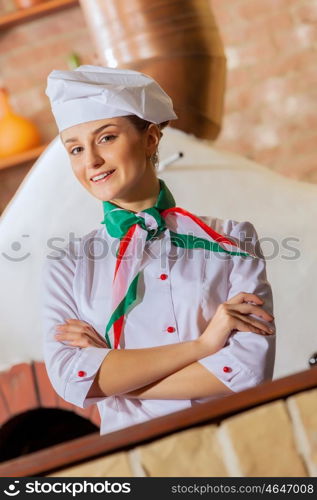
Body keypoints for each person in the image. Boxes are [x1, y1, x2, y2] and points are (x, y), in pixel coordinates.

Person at [42, 65, 276, 435]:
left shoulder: (233, 239)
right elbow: (72, 380)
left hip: (235, 444)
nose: (91, 162)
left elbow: (248, 372)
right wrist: (202, 346)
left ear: (151, 138)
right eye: (75, 149)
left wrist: (114, 374)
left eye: (105, 138)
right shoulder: (67, 264)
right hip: (138, 465)